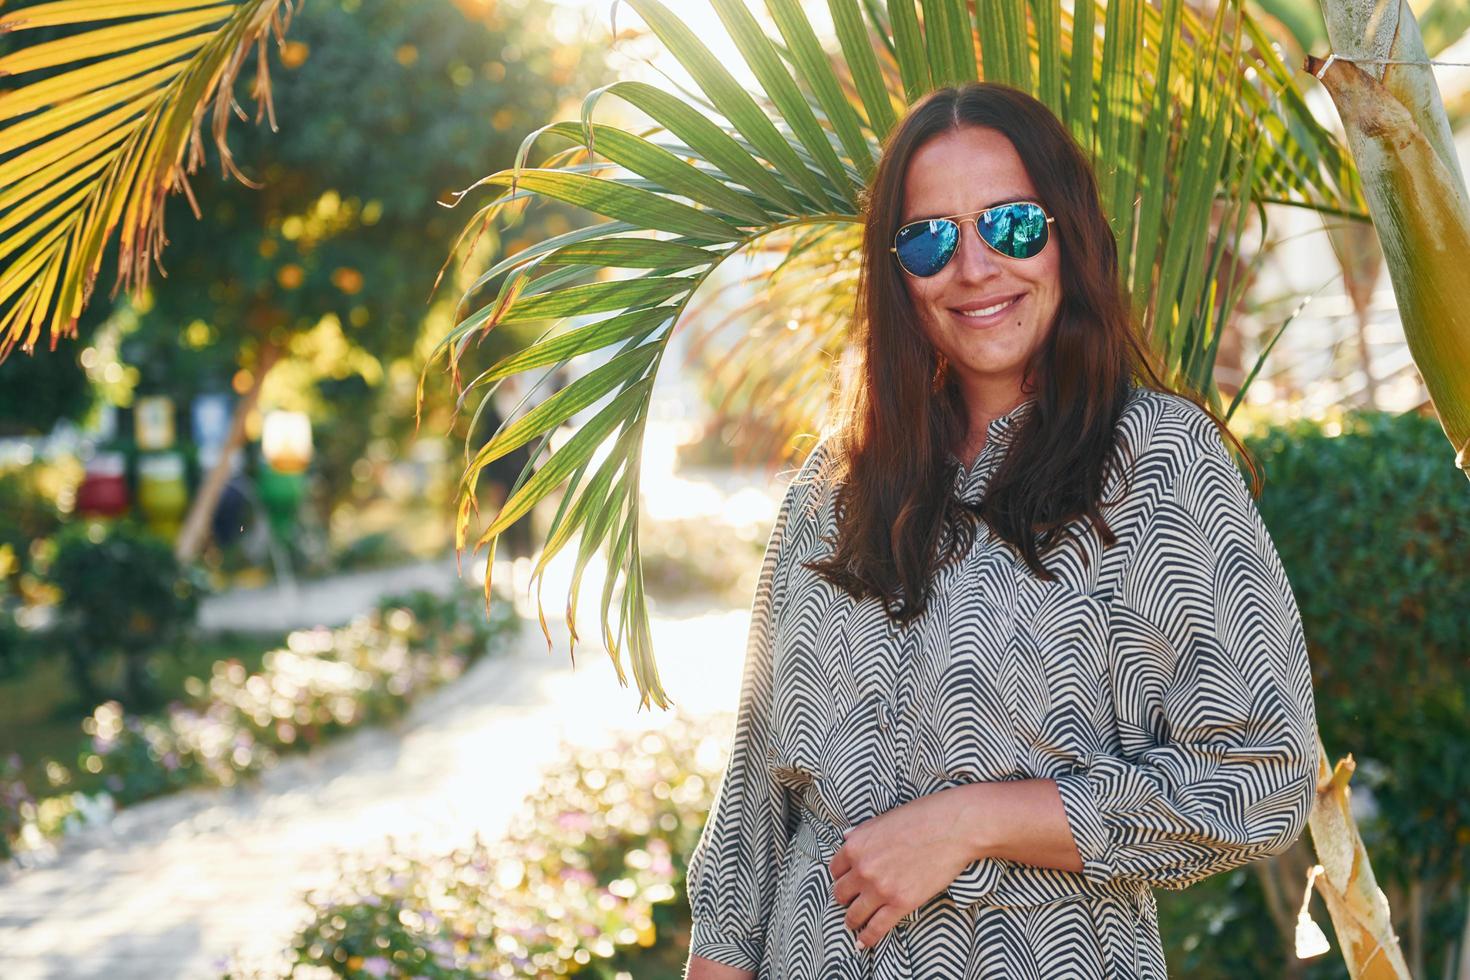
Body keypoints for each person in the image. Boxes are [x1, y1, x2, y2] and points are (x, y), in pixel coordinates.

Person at [682, 81, 1319, 980]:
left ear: (1068, 235)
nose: (975, 267)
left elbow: (1263, 775)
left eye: (1012, 225)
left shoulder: (1158, 460)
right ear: (897, 272)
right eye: (931, 238)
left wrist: (974, 821)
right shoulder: (835, 481)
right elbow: (753, 796)